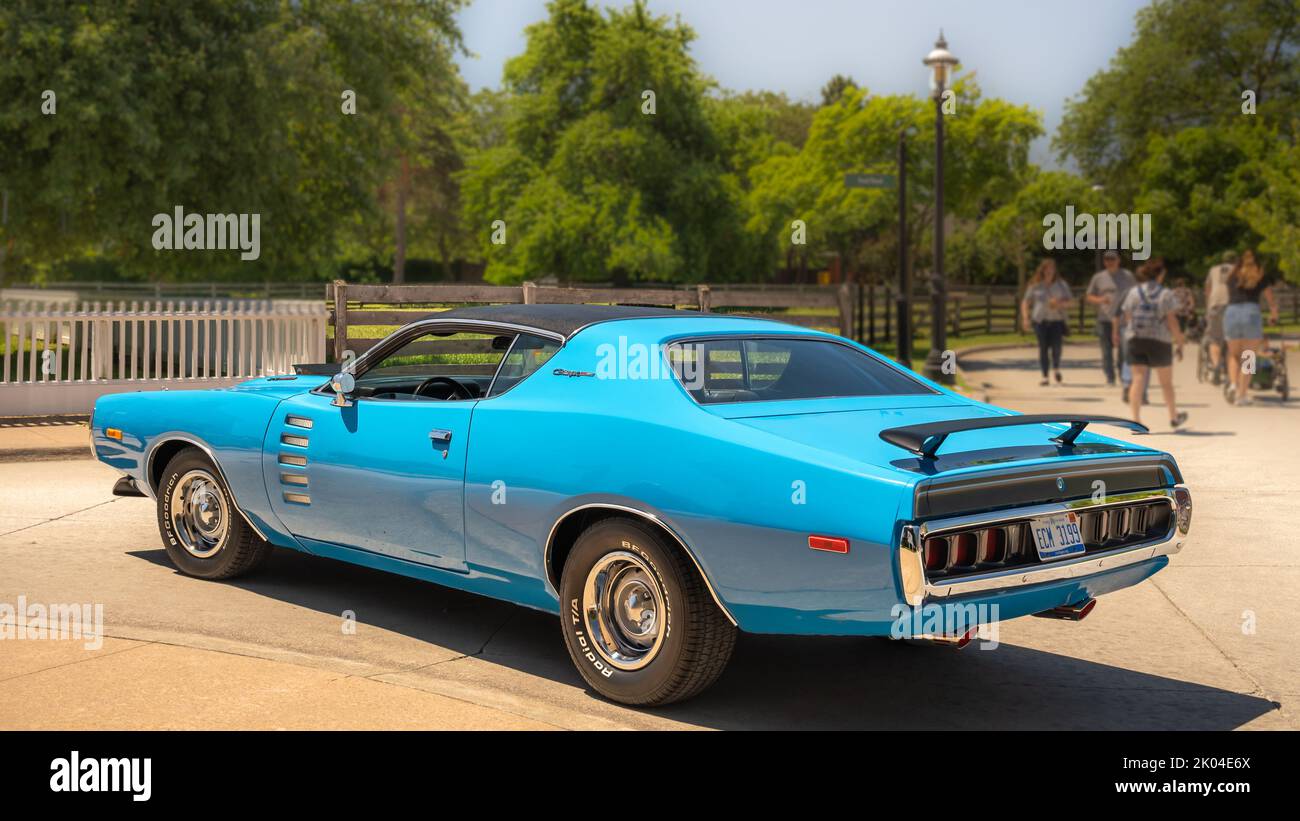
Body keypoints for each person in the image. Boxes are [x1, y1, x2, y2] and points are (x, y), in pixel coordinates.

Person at [1118, 257, 1187, 429]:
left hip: (1136, 339)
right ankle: (1173, 416)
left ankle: (1135, 419)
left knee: (1138, 379)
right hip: (1159, 341)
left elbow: (1127, 316)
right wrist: (1179, 341)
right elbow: (1172, 320)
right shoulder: (1165, 294)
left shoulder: (1134, 292)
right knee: (1166, 383)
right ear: (1161, 273)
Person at [1223, 249, 1281, 406]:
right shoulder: (1260, 276)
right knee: (1248, 356)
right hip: (1251, 313)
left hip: (1232, 313)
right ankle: (1241, 396)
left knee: (1234, 355)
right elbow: (1270, 300)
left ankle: (1233, 385)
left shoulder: (1231, 276)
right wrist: (1274, 315)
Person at [1021, 258, 1073, 386]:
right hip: (1040, 320)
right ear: (1042, 270)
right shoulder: (1035, 285)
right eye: (1047, 269)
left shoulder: (1062, 285)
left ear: (1055, 270)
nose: (1049, 271)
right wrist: (1025, 318)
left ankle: (1056, 369)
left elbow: (1071, 302)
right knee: (1043, 348)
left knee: (1057, 347)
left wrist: (1059, 304)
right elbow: (1025, 302)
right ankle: (1045, 376)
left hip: (1057, 320)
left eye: (1052, 269)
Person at [1086, 250, 1136, 386]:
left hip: (1123, 320)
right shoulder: (1098, 277)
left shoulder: (1128, 276)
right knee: (1106, 350)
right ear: (1104, 262)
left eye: (1113, 259)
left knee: (1123, 351)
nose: (1110, 262)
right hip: (1104, 319)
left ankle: (1123, 375)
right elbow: (1089, 296)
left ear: (1118, 260)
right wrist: (1100, 299)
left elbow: (1136, 294)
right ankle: (1110, 377)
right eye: (1107, 259)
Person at [1204, 250, 1235, 376]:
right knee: (1242, 343)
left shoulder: (1213, 269)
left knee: (1215, 340)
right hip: (1237, 306)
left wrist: (1208, 305)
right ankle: (1246, 373)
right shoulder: (1241, 270)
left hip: (1216, 304)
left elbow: (1207, 288)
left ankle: (1217, 365)